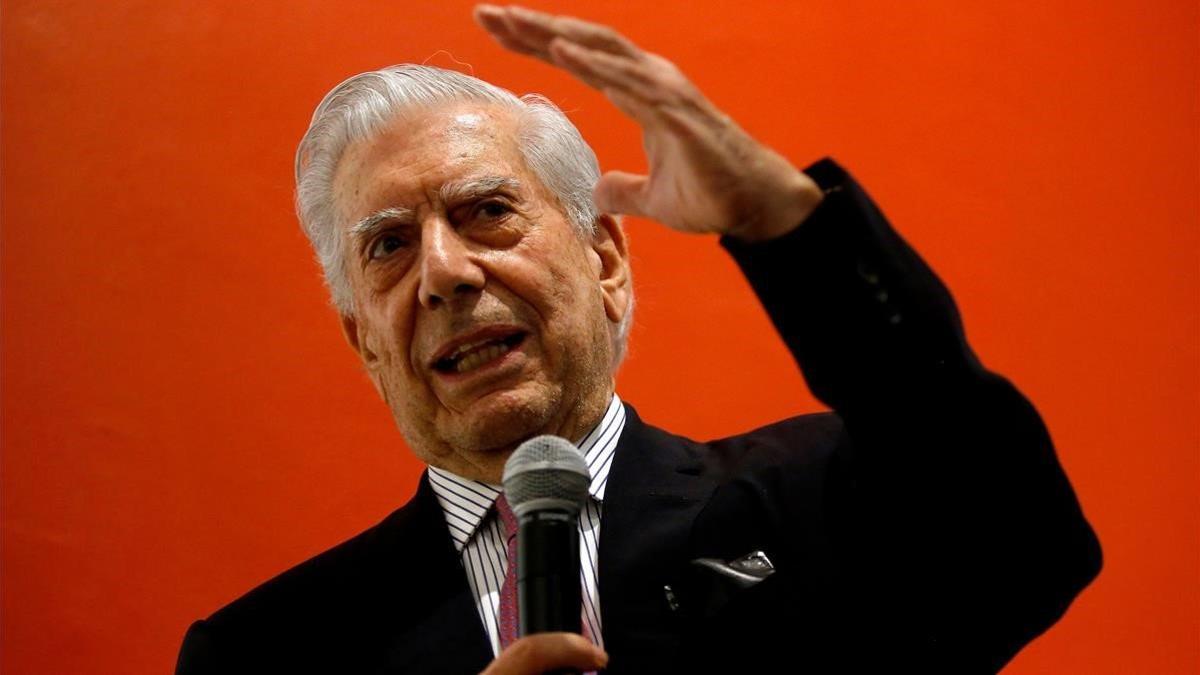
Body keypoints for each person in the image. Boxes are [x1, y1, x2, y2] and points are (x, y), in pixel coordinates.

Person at [176, 5, 1101, 674]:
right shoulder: (265, 652)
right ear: (365, 343)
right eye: (388, 245)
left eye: (487, 211)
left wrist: (780, 220)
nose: (445, 273)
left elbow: (1020, 533)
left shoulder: (823, 502)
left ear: (607, 261)